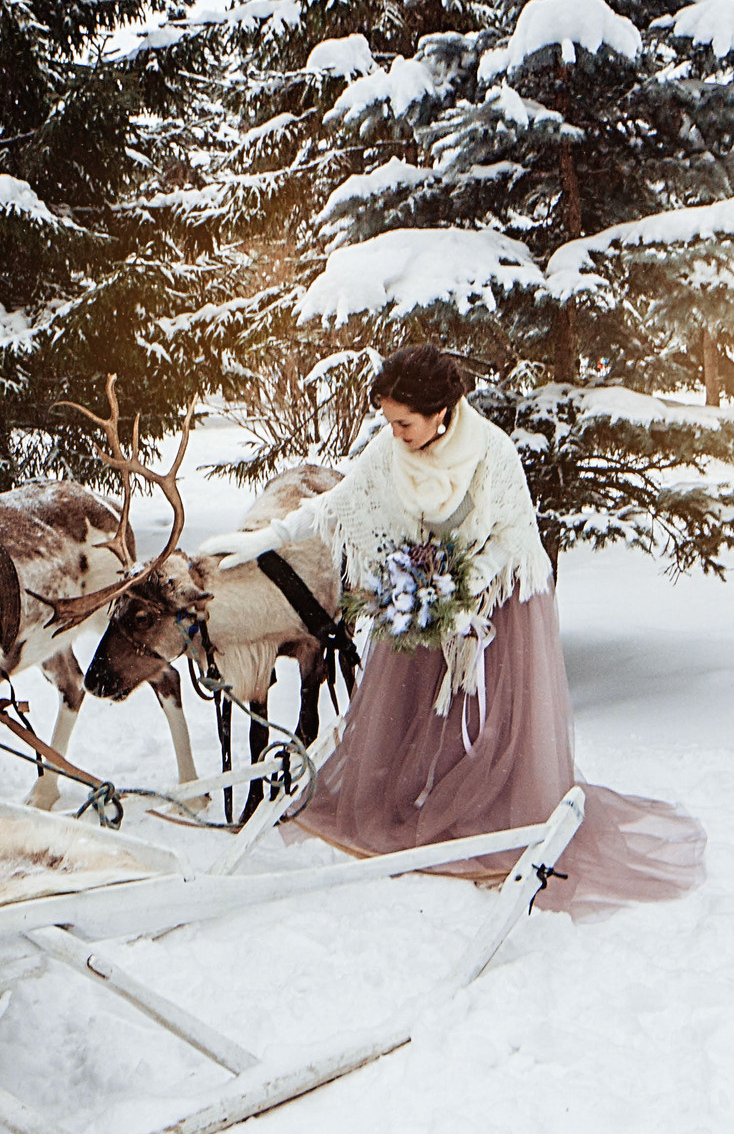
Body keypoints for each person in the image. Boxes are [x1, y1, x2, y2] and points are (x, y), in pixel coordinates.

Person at [201, 345, 705, 920]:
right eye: (388, 422)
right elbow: (339, 503)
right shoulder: (391, 449)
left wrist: (468, 591)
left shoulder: (492, 452)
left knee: (483, 713)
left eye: (404, 422)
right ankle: (423, 799)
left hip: (495, 597)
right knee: (415, 699)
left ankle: (485, 811)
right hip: (425, 590)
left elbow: (514, 535)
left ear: (441, 411)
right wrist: (268, 539)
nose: (394, 433)